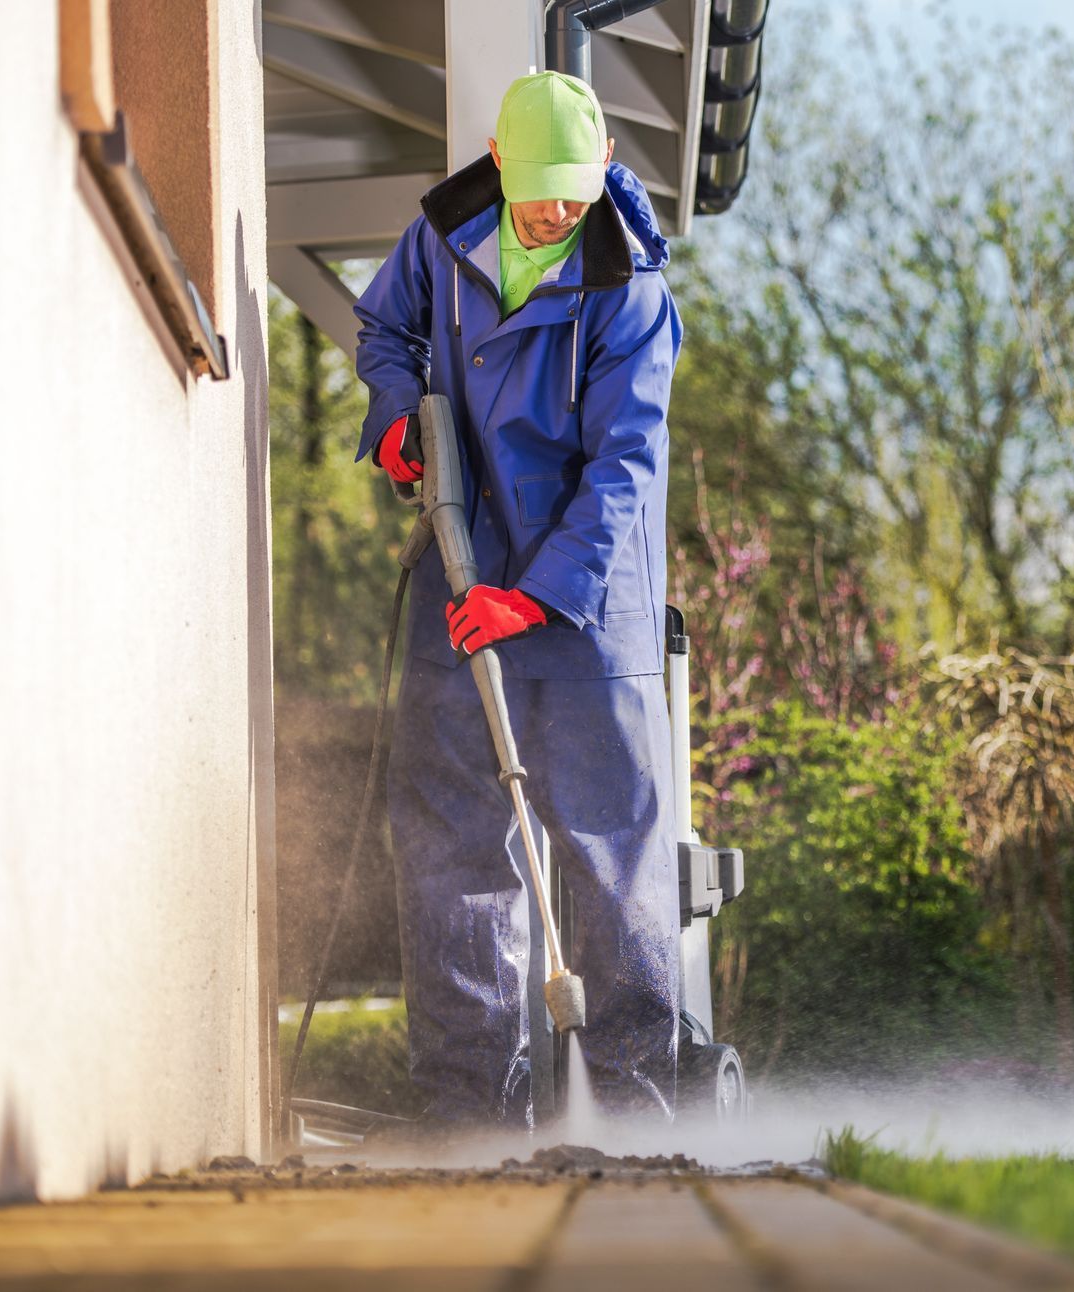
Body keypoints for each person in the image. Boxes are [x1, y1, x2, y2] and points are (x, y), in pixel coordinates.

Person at [352, 71, 682, 1129]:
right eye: (541, 191)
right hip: (462, 585)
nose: (558, 212)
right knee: (453, 852)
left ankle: (634, 1117)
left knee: (606, 852)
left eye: (575, 192)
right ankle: (466, 1118)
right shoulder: (440, 242)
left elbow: (625, 464)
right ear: (499, 163)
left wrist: (537, 595)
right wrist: (398, 418)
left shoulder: (626, 286)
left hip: (582, 611)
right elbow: (383, 336)